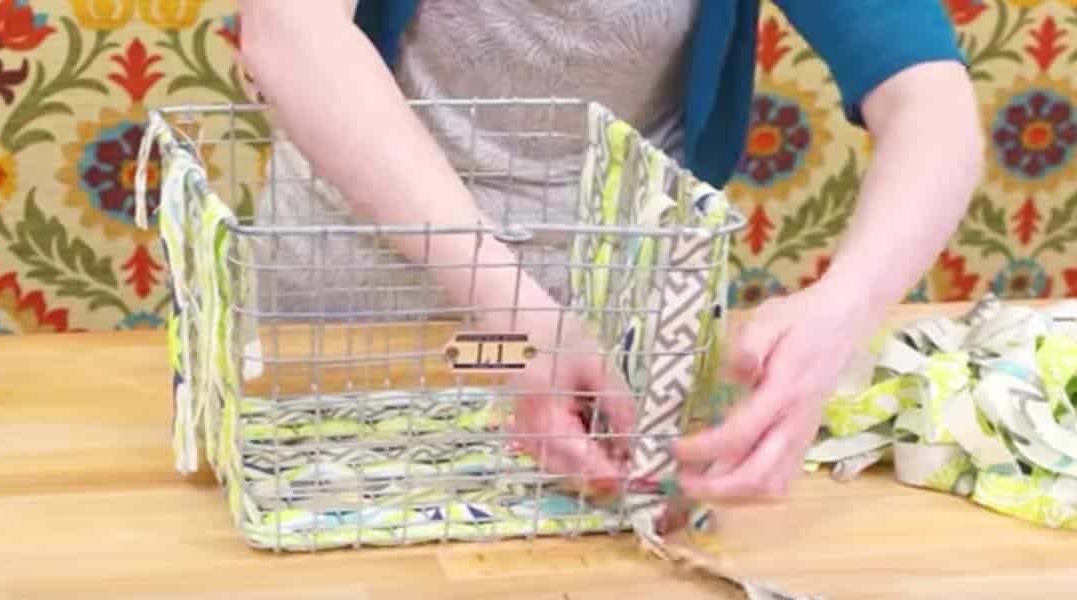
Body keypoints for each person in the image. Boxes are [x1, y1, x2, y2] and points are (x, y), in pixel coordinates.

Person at [237, 1, 985, 507]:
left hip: (610, 366)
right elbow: (290, 30)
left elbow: (930, 100)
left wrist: (842, 311)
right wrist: (515, 311)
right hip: (345, 335)